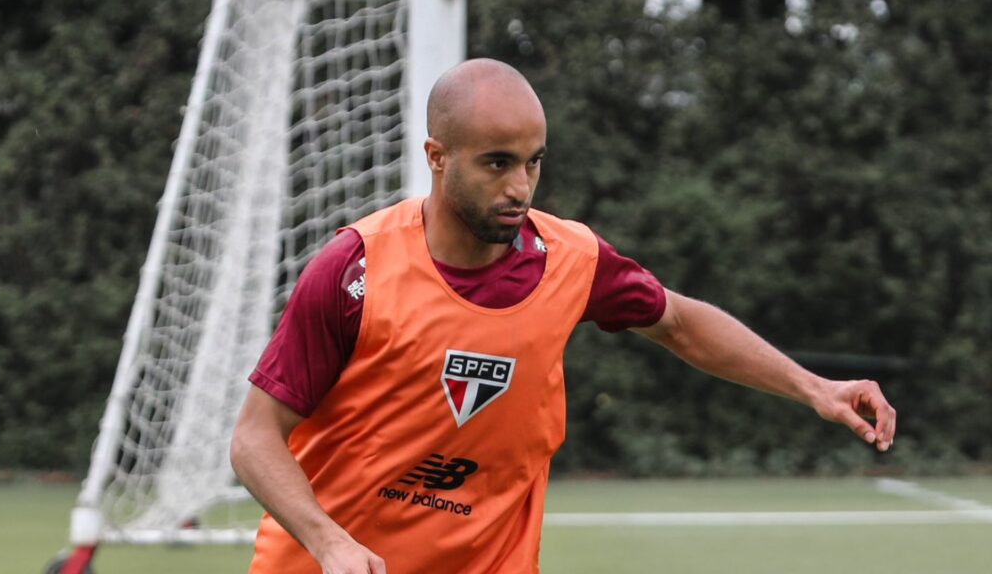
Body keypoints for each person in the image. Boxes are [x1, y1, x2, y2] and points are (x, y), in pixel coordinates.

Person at [230, 58, 896, 574]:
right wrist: (328, 541)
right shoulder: (356, 269)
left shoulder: (571, 260)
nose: (520, 187)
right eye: (497, 163)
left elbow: (682, 323)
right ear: (437, 157)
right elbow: (255, 438)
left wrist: (815, 387)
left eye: (533, 162)